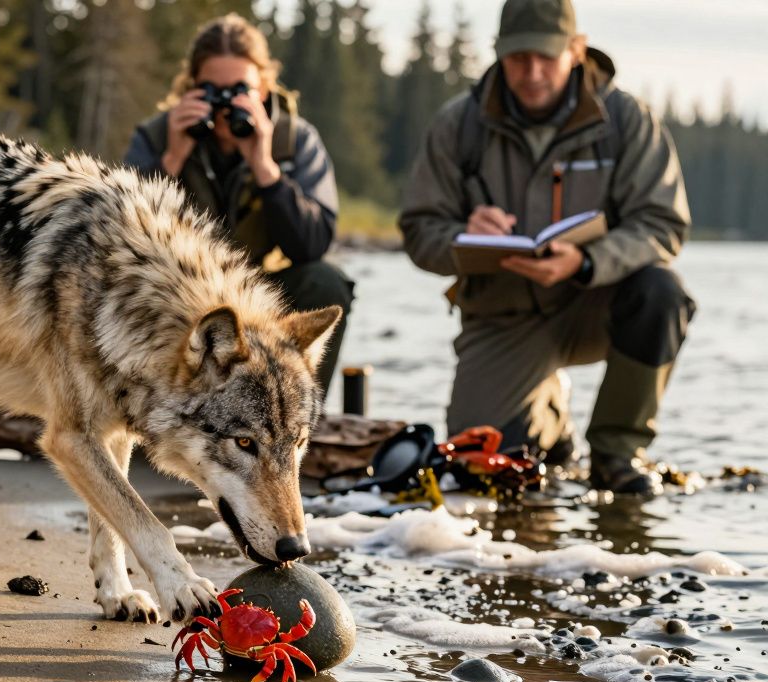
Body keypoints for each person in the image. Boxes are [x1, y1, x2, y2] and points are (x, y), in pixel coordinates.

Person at [399, 0, 694, 494]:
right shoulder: (458, 124)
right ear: (498, 54)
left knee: (663, 292)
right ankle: (549, 419)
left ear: (576, 51)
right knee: (481, 468)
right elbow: (418, 230)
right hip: (503, 315)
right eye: (518, 59)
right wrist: (462, 236)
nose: (531, 72)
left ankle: (617, 452)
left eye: (546, 58)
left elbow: (663, 223)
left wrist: (587, 261)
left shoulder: (628, 120)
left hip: (597, 305)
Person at [123, 13, 354, 392]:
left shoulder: (294, 141)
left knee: (326, 282)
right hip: (178, 292)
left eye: (239, 91)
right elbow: (122, 234)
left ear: (263, 87)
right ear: (192, 87)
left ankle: (295, 411)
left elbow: (313, 243)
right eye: (212, 91)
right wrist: (172, 159)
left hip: (262, 290)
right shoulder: (159, 134)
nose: (225, 107)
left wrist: (265, 167)